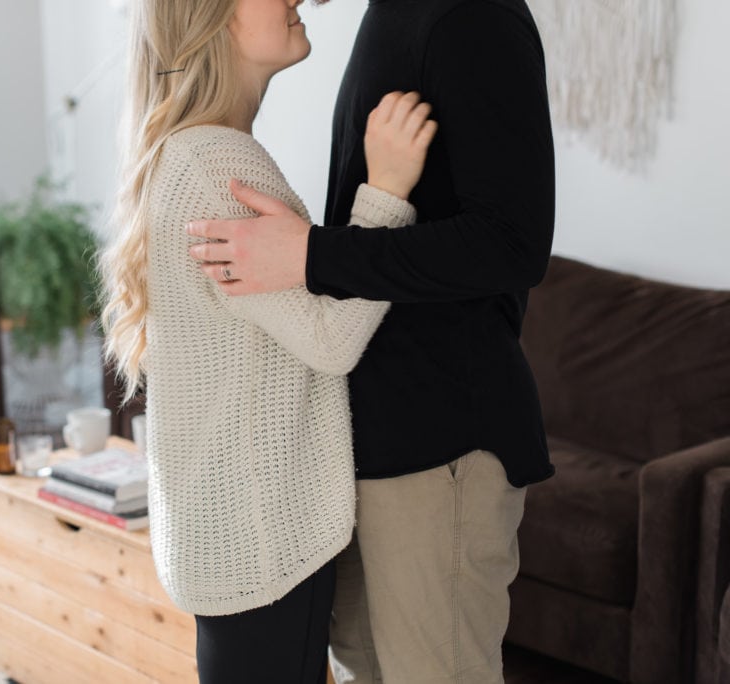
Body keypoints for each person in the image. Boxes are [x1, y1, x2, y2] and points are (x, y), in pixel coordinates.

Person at [186, 0, 557, 682]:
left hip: (441, 442)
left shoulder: (471, 16)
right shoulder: (391, 15)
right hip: (367, 441)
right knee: (365, 666)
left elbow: (514, 245)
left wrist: (312, 256)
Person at [98, 0, 436, 681]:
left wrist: (311, 251)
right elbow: (331, 339)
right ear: (212, 19)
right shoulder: (219, 163)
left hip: (228, 538)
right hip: (259, 538)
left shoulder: (189, 153)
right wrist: (387, 193)